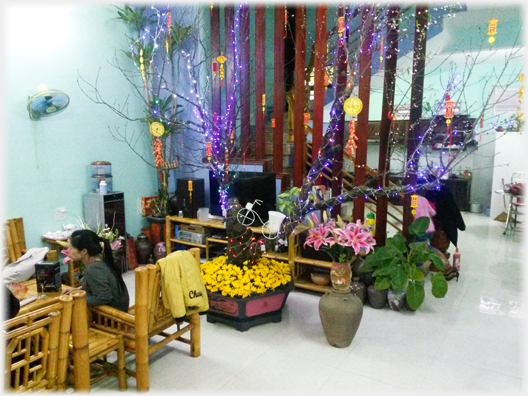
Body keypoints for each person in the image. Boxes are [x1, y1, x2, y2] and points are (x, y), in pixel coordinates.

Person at [63, 229, 129, 312]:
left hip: (112, 317)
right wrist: (77, 290)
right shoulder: (101, 260)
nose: (68, 251)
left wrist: (77, 298)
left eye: (71, 248)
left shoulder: (93, 269)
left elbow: (104, 298)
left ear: (84, 251)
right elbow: (95, 285)